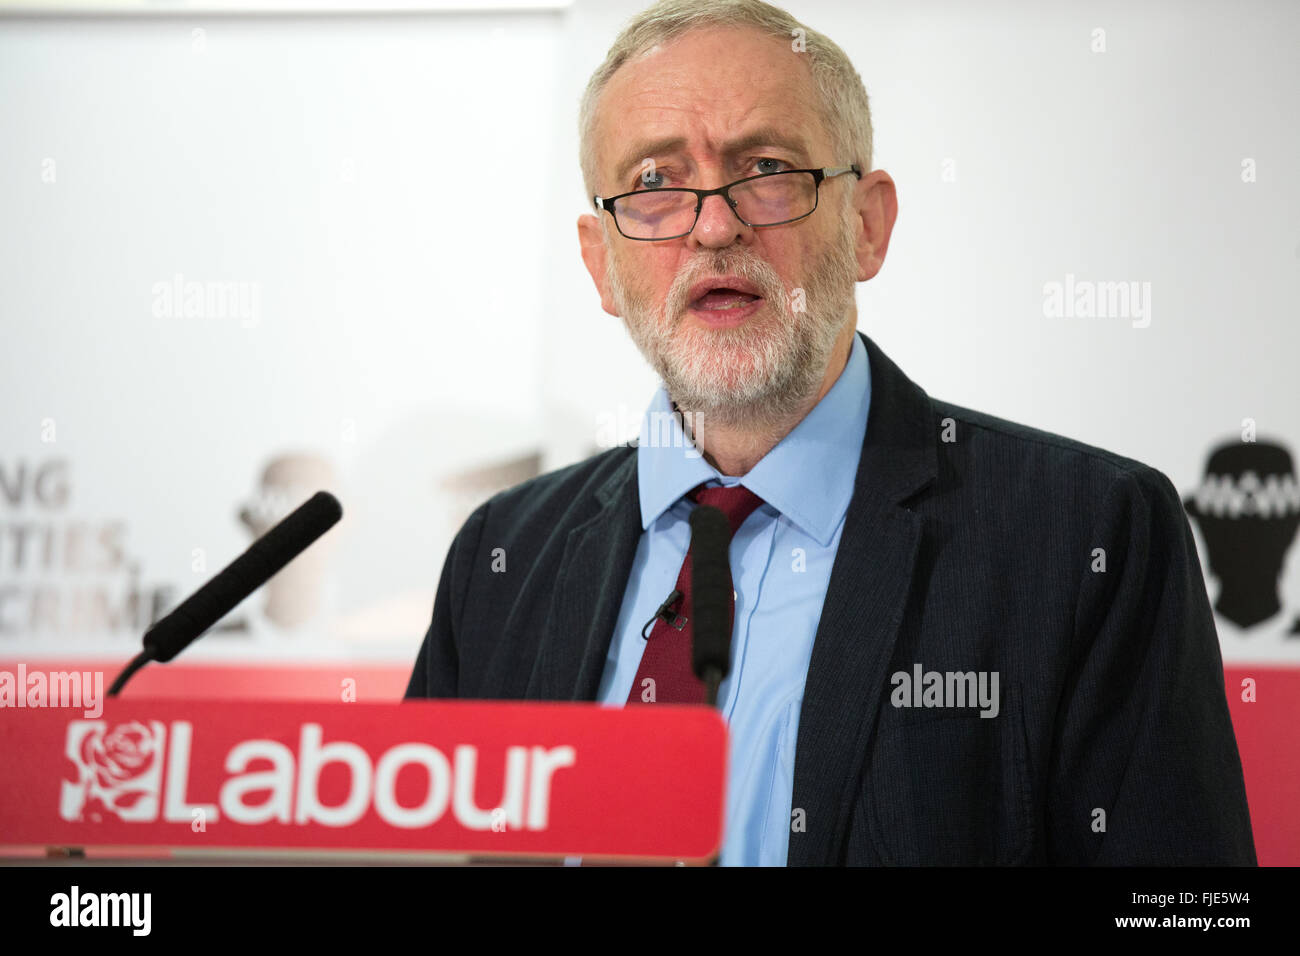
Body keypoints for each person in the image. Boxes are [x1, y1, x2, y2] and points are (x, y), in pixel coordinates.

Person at [406, 0, 1256, 866]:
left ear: (867, 225)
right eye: (655, 183)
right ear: (602, 265)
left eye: (767, 168)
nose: (713, 225)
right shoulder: (500, 557)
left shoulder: (1087, 535)